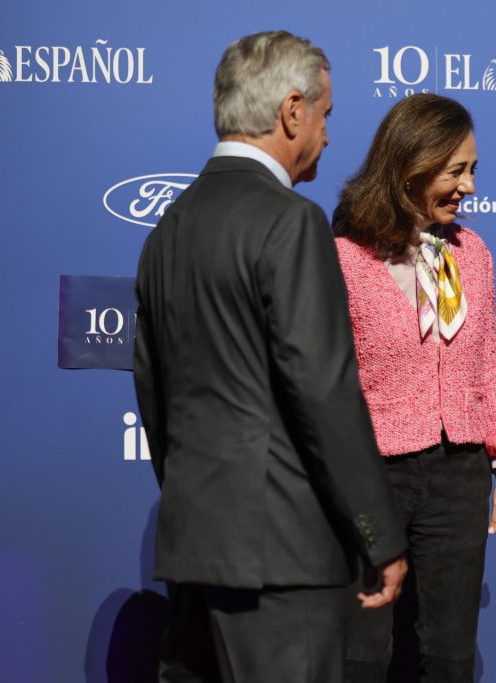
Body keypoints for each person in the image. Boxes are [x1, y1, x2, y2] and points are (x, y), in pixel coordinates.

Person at [133, 31, 407, 682]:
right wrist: (378, 533)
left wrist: (194, 502)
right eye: (326, 114)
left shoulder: (168, 227)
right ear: (292, 111)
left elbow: (152, 390)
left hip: (195, 545)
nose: (329, 135)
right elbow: (323, 390)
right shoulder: (291, 221)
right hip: (283, 555)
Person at [332, 93, 496, 682]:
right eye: (455, 170)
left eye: (472, 169)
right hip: (372, 474)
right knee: (362, 650)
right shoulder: (344, 257)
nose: (468, 185)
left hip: (457, 473)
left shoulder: (473, 253)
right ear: (410, 165)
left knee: (449, 653)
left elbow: (486, 359)